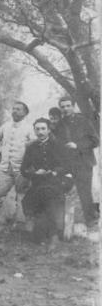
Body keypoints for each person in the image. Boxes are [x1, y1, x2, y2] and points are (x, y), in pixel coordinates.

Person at [0, 101, 35, 226]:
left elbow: (35, 147)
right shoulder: (6, 126)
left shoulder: (30, 128)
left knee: (21, 196)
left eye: (18, 109)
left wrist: (28, 161)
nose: (14, 111)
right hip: (5, 167)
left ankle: (19, 222)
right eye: (13, 109)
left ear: (25, 113)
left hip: (22, 169)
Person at [21, 118, 72, 249]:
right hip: (38, 182)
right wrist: (35, 173)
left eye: (43, 129)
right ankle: (41, 233)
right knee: (31, 199)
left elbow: (67, 165)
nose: (40, 132)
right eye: (37, 129)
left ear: (49, 130)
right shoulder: (31, 147)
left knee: (49, 196)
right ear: (34, 131)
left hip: (56, 181)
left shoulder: (58, 145)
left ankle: (54, 236)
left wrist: (54, 172)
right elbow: (24, 169)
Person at [55, 96, 99, 227]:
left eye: (68, 106)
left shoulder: (84, 121)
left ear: (73, 106)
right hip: (67, 164)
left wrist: (77, 145)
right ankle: (62, 223)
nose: (66, 109)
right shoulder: (60, 124)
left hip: (83, 162)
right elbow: (58, 144)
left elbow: (95, 141)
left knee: (84, 192)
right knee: (61, 190)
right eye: (63, 107)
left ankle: (90, 220)